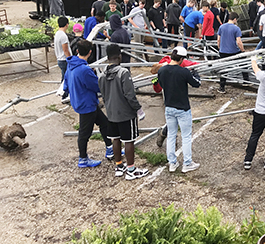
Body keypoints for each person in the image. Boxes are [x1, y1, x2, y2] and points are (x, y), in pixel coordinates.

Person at [99, 44, 149, 180]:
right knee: (129, 141)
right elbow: (129, 95)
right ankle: (131, 169)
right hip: (126, 114)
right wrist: (138, 109)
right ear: (119, 56)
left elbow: (103, 94)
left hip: (111, 113)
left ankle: (119, 166)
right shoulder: (123, 73)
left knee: (115, 139)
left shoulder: (102, 75)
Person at [63, 39, 113, 168]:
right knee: (84, 133)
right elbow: (96, 86)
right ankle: (83, 159)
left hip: (81, 101)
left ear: (78, 51)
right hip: (87, 105)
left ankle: (110, 148)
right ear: (90, 52)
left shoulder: (71, 64)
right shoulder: (84, 70)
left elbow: (66, 82)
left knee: (104, 123)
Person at [157, 46, 202, 173]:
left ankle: (172, 162)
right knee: (186, 136)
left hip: (169, 107)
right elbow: (196, 84)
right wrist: (195, 73)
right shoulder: (184, 72)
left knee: (171, 135)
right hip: (182, 108)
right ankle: (187, 163)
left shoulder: (162, 70)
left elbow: (160, 84)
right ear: (181, 59)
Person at [217, 12, 247, 93]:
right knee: (244, 62)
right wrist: (243, 50)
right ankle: (246, 80)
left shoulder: (221, 27)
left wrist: (219, 47)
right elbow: (239, 42)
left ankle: (222, 87)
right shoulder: (236, 28)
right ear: (234, 19)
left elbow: (218, 39)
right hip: (234, 51)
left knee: (224, 69)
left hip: (223, 51)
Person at [54, 16, 71, 83]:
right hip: (64, 60)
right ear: (67, 24)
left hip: (59, 58)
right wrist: (70, 59)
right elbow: (66, 50)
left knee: (64, 77)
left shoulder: (57, 33)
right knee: (66, 79)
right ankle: (64, 92)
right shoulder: (63, 36)